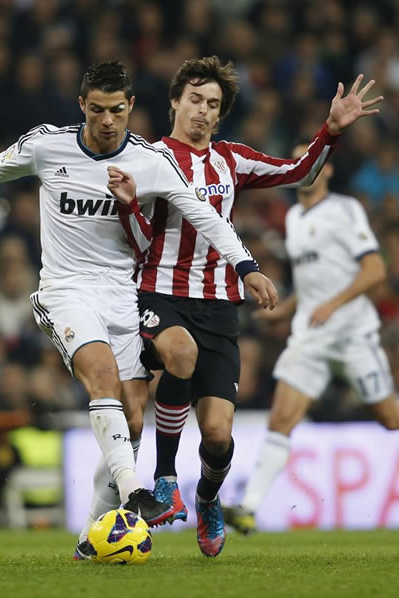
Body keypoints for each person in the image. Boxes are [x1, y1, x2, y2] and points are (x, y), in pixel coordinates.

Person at [0, 60, 276, 558]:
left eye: (116, 110)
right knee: (101, 376)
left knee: (133, 417)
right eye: (96, 110)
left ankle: (91, 539)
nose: (106, 121)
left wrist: (246, 265)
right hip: (66, 289)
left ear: (131, 108)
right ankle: (134, 493)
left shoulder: (151, 160)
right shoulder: (47, 145)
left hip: (123, 292)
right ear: (82, 106)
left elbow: (203, 214)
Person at [112, 57, 383, 557]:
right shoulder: (148, 157)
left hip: (219, 307)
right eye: (194, 99)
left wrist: (330, 131)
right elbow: (137, 238)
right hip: (159, 295)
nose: (202, 111)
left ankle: (207, 497)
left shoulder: (230, 160)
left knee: (217, 434)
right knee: (179, 354)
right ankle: (165, 479)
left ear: (220, 115)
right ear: (175, 101)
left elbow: (300, 173)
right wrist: (130, 205)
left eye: (213, 104)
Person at [222, 142, 399, 536]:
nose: (309, 167)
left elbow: (373, 270)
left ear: (328, 170)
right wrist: (283, 312)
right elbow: (311, 285)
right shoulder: (296, 219)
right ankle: (249, 509)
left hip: (353, 334)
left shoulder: (343, 210)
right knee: (282, 418)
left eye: (315, 161)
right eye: (300, 161)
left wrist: (333, 305)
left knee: (390, 419)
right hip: (312, 338)